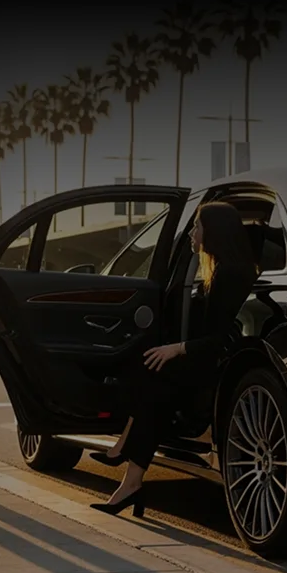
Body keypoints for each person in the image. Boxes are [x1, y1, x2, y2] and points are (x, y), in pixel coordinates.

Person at [90, 201, 259, 516]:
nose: (193, 233)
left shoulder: (231, 274)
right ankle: (129, 475)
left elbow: (222, 339)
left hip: (217, 366)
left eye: (197, 227)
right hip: (207, 359)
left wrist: (178, 348)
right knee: (148, 370)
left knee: (155, 377)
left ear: (215, 233)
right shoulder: (222, 270)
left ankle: (127, 470)